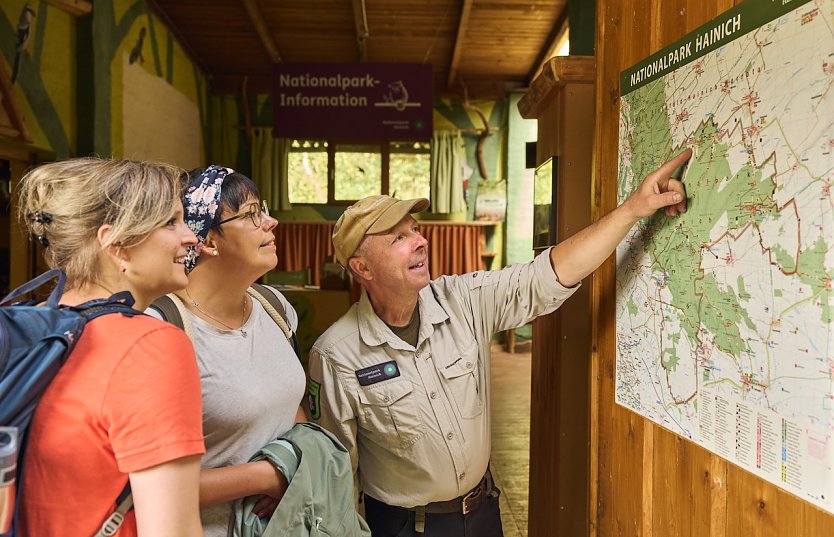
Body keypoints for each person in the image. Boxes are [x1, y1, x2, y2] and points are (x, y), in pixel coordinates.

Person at [307, 149, 693, 536]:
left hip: (482, 516)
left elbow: (547, 275)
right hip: (405, 527)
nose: (420, 241)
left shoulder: (464, 300)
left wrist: (632, 209)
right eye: (398, 238)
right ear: (362, 267)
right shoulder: (336, 354)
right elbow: (334, 474)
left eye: (415, 230)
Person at [16, 158, 205, 536]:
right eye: (171, 222)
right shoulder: (150, 346)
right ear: (116, 244)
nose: (191, 237)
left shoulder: (24, 329)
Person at [146, 165, 307, 536]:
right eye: (251, 215)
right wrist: (271, 476)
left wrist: (299, 466)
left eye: (263, 210)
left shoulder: (275, 307)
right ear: (207, 240)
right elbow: (152, 486)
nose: (271, 222)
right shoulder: (164, 328)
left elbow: (289, 406)